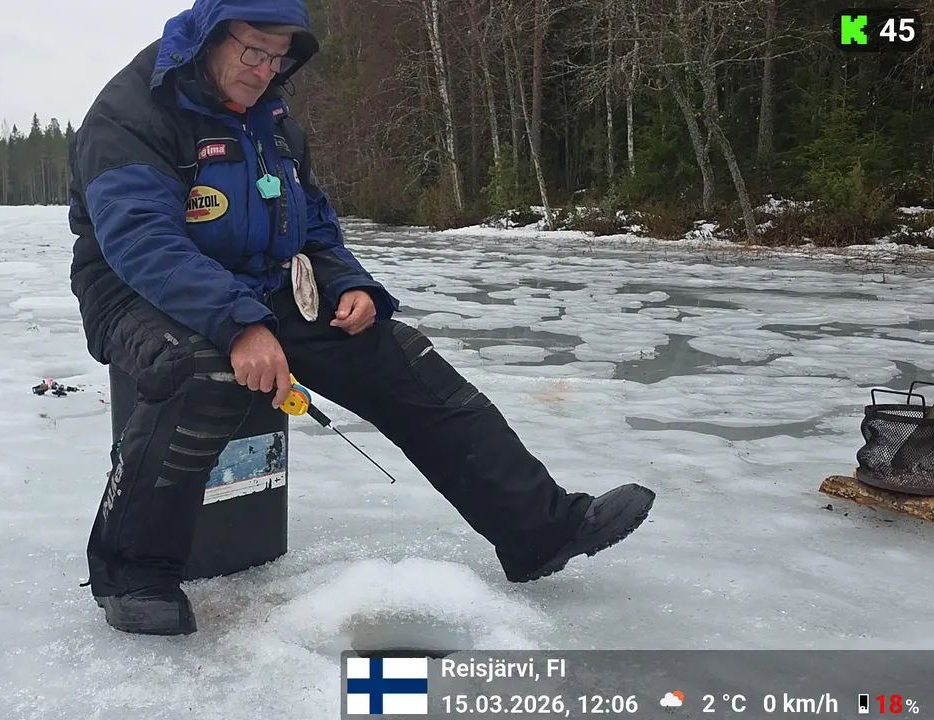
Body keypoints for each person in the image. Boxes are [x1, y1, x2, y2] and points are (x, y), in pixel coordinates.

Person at [66, 0, 656, 636]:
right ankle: (133, 575)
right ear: (210, 36)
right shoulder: (133, 111)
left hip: (259, 285)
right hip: (134, 292)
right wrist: (239, 325)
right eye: (253, 51)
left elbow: (311, 223)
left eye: (278, 58)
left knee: (398, 354)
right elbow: (140, 238)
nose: (265, 71)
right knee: (202, 370)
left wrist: (351, 283)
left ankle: (541, 529)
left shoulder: (271, 120)